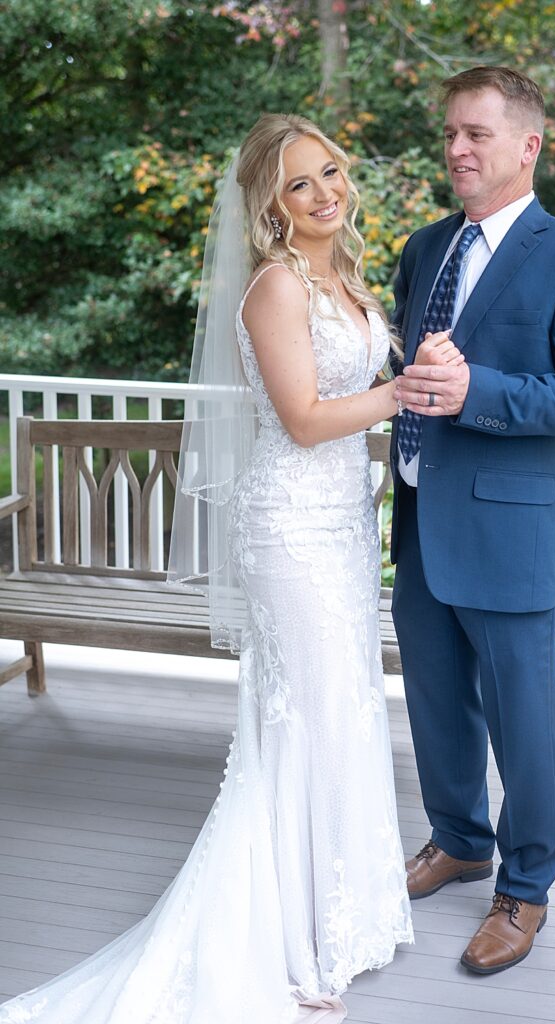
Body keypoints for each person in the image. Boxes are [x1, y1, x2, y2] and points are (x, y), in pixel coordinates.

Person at [0, 112, 463, 1023]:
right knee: (304, 721)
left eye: (330, 171)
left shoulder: (347, 279)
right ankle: (286, 942)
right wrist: (401, 391)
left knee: (342, 712)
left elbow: (365, 379)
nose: (325, 192)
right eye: (300, 183)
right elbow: (303, 419)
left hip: (342, 525)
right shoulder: (274, 289)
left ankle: (340, 918)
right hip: (290, 528)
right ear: (271, 206)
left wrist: (424, 360)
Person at [391, 66, 555, 975]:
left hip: (511, 530)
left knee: (523, 721)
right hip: (419, 519)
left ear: (527, 145)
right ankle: (459, 839)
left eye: (476, 134)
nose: (456, 148)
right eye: (450, 132)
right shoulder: (424, 248)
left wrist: (475, 391)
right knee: (433, 702)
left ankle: (524, 889)